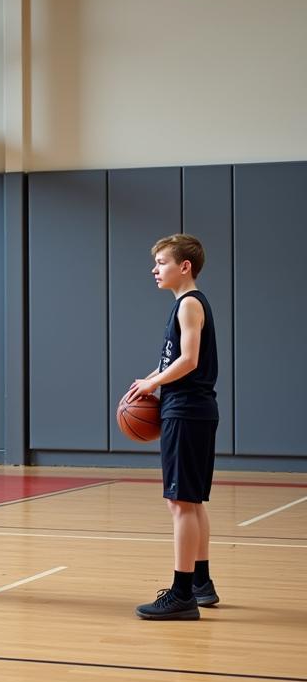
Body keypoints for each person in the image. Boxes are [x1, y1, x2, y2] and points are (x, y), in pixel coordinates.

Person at [127, 233, 220, 620]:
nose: (155, 269)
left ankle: (181, 594)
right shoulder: (187, 305)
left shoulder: (189, 306)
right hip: (193, 409)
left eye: (162, 262)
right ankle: (201, 584)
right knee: (190, 500)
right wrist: (145, 381)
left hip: (186, 410)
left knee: (180, 502)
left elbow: (190, 360)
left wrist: (153, 384)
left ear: (185, 266)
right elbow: (172, 362)